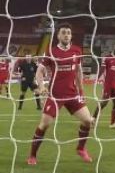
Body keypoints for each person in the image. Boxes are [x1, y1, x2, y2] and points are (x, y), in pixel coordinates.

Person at [27, 24, 93, 165]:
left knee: (88, 121)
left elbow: (79, 72)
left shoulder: (77, 50)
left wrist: (81, 90)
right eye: (63, 33)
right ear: (58, 36)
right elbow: (39, 72)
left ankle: (81, 149)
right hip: (55, 95)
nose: (66, 35)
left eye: (68, 33)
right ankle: (32, 155)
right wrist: (42, 86)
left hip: (72, 94)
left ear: (71, 35)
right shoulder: (51, 52)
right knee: (44, 124)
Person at [94, 44, 115, 129]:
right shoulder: (107, 58)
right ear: (113, 48)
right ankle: (93, 119)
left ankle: (113, 123)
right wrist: (97, 78)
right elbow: (102, 69)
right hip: (108, 85)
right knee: (104, 103)